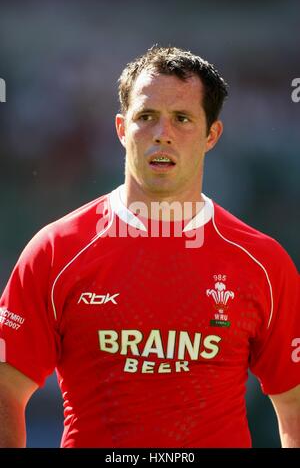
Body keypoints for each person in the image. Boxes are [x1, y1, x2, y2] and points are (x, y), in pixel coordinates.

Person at [0, 45, 299, 448]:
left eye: (182, 119)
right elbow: (6, 386)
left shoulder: (263, 262)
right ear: (122, 129)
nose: (163, 133)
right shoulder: (56, 249)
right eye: (146, 117)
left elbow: (293, 402)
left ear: (212, 134)